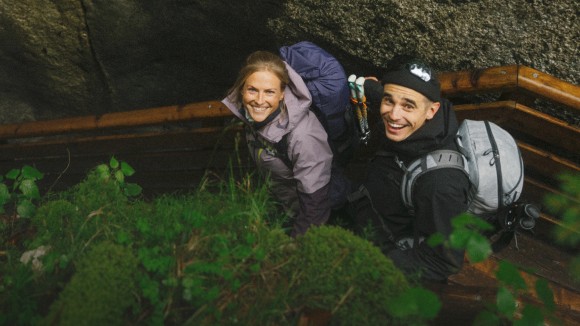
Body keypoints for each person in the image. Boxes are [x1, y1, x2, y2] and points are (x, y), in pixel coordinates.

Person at [349, 59, 470, 282]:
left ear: (432, 110)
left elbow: (443, 262)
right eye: (389, 101)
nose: (394, 115)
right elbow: (390, 94)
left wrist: (374, 264)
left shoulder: (441, 184)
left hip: (380, 251)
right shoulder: (413, 121)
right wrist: (369, 89)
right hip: (365, 207)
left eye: (408, 106)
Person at [222, 50, 342, 237]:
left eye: (269, 92)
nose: (259, 101)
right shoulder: (254, 119)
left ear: (282, 94)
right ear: (242, 89)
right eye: (252, 89)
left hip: (320, 220)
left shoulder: (303, 136)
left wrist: (294, 249)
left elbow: (315, 206)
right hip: (285, 210)